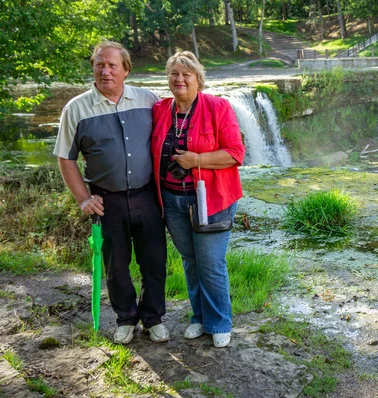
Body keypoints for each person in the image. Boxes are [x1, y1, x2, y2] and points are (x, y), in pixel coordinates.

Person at [54, 41, 169, 345]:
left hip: (148, 196)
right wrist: (83, 198)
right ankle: (126, 319)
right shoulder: (76, 109)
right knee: (116, 265)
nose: (105, 71)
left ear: (126, 69)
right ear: (93, 68)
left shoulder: (148, 100)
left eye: (112, 65)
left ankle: (153, 318)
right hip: (107, 201)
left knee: (154, 261)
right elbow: (65, 157)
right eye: (99, 65)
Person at [151, 51, 245, 348]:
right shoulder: (160, 109)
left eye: (186, 75)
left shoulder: (218, 107)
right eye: (174, 74)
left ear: (198, 80)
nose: (179, 79)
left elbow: (234, 153)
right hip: (172, 200)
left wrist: (197, 160)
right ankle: (199, 317)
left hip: (211, 199)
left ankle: (219, 322)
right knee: (190, 261)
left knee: (211, 262)